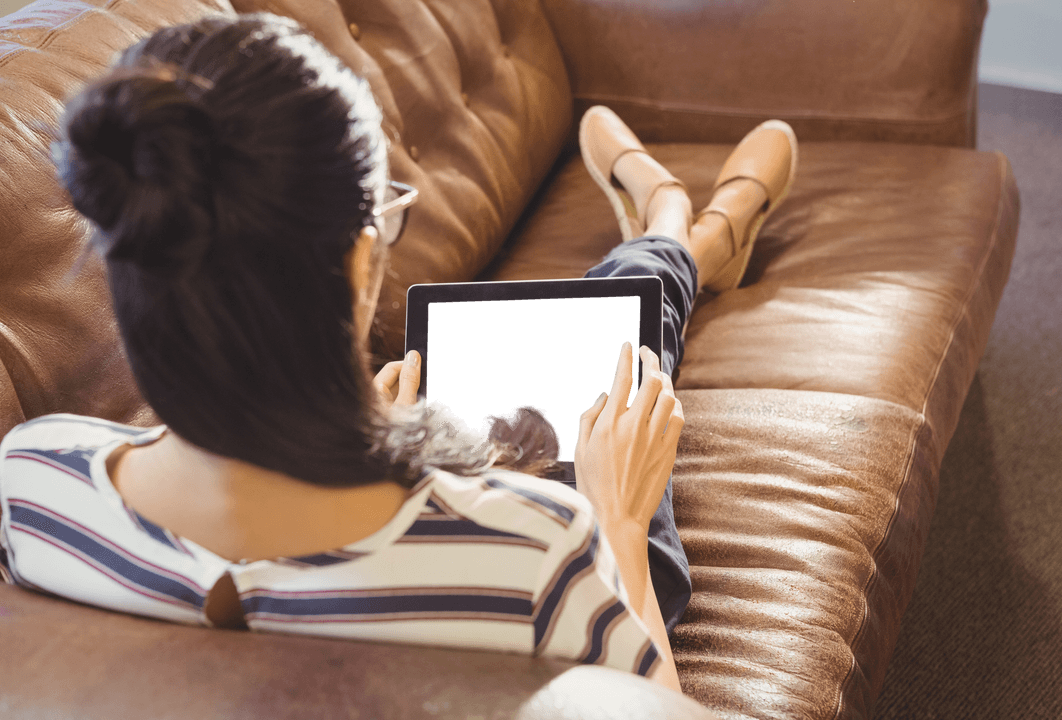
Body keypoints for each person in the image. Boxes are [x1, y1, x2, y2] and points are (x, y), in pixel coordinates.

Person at [0, 8, 795, 694]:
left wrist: (353, 435)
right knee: (620, 381)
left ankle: (677, 234)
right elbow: (647, 704)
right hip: (565, 563)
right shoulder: (540, 553)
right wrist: (616, 518)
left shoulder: (31, 488)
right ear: (358, 260)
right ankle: (679, 232)